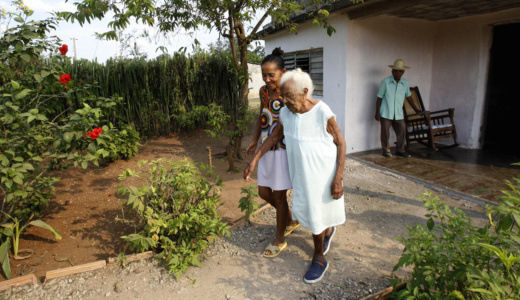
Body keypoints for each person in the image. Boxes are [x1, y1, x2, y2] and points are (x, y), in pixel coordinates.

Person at [244, 68, 346, 284]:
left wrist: (338, 177)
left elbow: (341, 141)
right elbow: (273, 137)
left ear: (305, 91)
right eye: (283, 95)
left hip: (323, 174)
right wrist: (255, 160)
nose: (285, 100)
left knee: (317, 212)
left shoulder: (321, 111)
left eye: (289, 95)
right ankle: (327, 232)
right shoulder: (286, 114)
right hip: (302, 175)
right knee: (310, 212)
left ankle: (319, 258)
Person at [246, 47, 300, 258]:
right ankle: (288, 219)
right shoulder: (263, 92)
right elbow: (262, 115)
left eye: (271, 75)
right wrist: (253, 139)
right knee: (263, 192)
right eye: (264, 75)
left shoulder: (289, 93)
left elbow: (281, 131)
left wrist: (257, 155)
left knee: (278, 194)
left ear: (283, 73)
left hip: (282, 149)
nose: (267, 79)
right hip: (265, 147)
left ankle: (280, 238)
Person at [375, 59, 420, 158]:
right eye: (395, 71)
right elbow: (379, 97)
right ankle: (386, 150)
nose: (398, 73)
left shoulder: (405, 83)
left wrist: (416, 109)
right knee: (385, 133)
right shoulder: (386, 82)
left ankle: (400, 150)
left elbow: (409, 97)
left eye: (400, 71)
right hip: (386, 112)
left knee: (402, 130)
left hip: (398, 113)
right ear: (392, 71)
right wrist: (377, 112)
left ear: (403, 72)